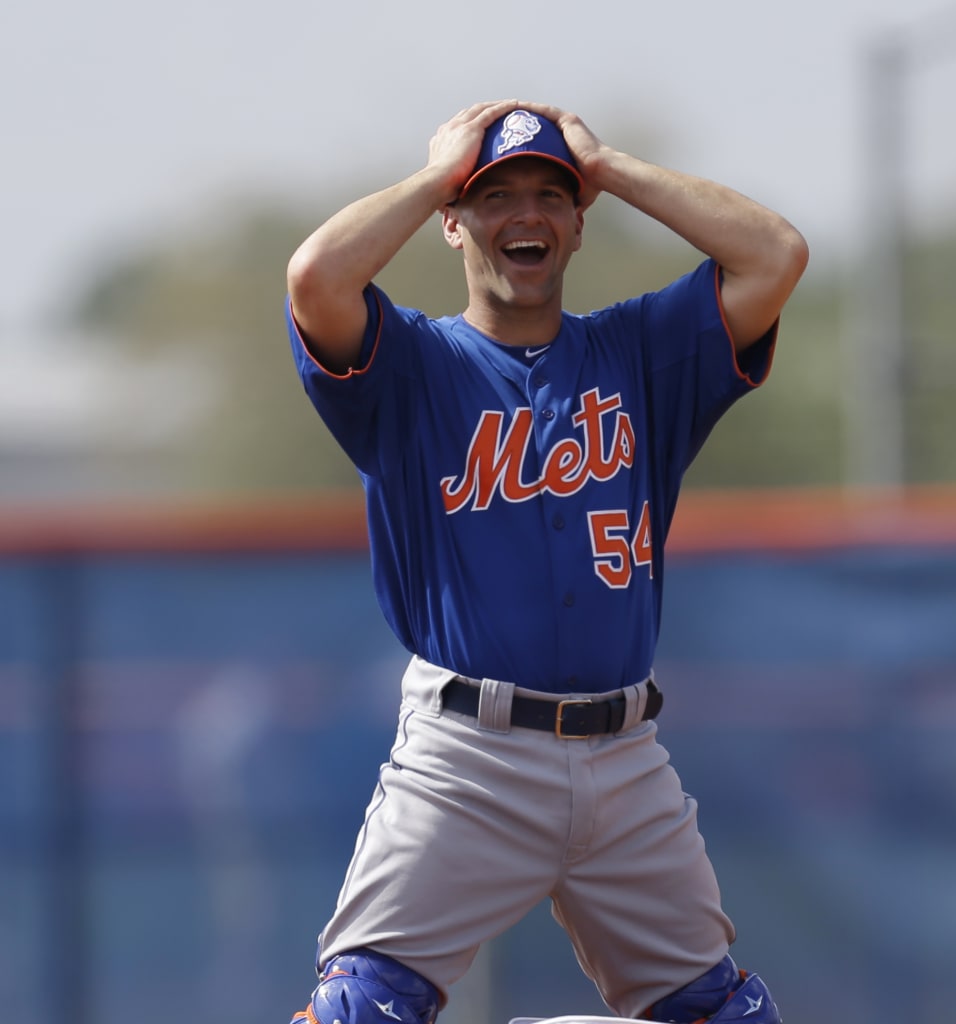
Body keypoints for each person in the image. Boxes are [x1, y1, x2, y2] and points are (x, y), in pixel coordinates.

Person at [283, 99, 809, 1024]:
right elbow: (317, 277)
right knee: (364, 1011)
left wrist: (608, 167)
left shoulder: (641, 353)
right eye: (495, 196)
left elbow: (775, 254)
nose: (526, 214)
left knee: (722, 1014)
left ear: (577, 221)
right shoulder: (411, 366)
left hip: (625, 757)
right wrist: (435, 177)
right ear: (454, 222)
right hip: (468, 757)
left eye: (550, 195)